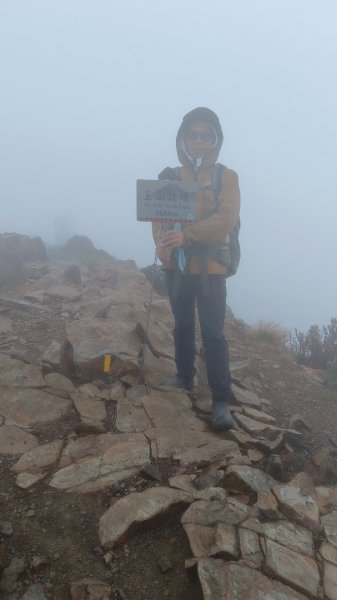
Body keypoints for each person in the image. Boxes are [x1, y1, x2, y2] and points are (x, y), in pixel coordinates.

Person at [153, 107, 240, 431]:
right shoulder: (171, 177)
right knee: (182, 324)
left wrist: (185, 235)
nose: (199, 141)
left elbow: (225, 221)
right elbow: (160, 217)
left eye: (206, 135)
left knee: (214, 333)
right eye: (193, 135)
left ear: (214, 139)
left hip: (212, 267)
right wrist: (162, 244)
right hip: (178, 267)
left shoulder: (226, 177)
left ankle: (220, 400)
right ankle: (184, 376)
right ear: (183, 139)